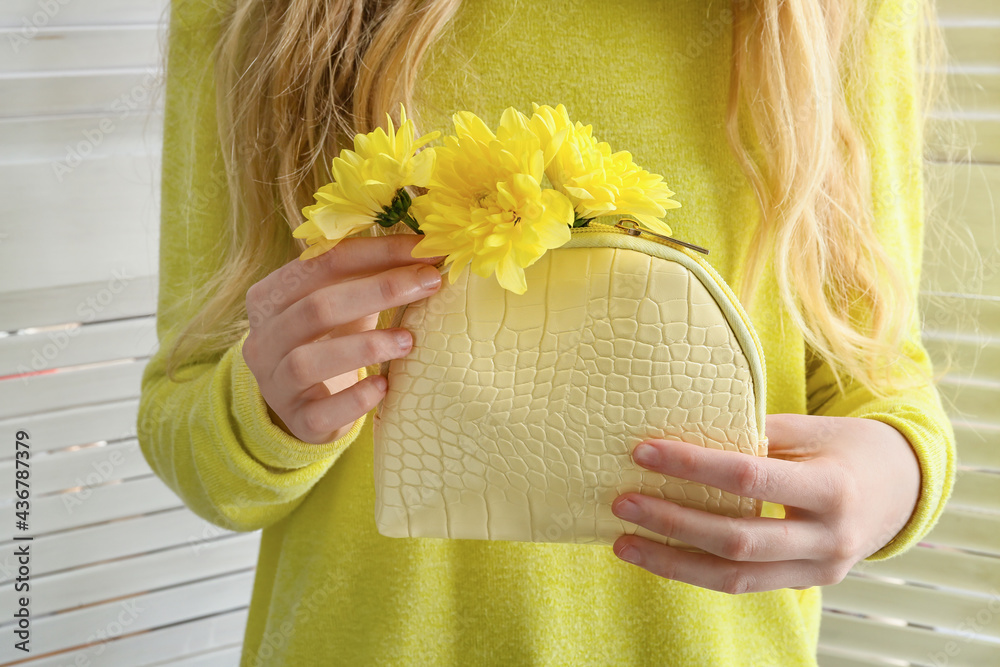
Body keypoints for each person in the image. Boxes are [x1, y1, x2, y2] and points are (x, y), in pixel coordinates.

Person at [138, 0, 956, 664]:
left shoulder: (830, 16)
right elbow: (187, 414)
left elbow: (881, 384)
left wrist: (888, 481)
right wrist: (269, 410)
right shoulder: (261, 13)